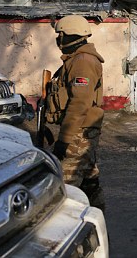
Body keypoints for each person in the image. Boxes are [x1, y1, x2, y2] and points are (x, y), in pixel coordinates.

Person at [45, 15, 105, 210]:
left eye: (60, 35)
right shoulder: (75, 60)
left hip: (79, 131)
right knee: (88, 175)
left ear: (69, 35)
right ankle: (96, 214)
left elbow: (79, 103)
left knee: (65, 184)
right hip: (81, 129)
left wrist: (64, 140)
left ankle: (66, 227)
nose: (58, 40)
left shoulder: (83, 61)